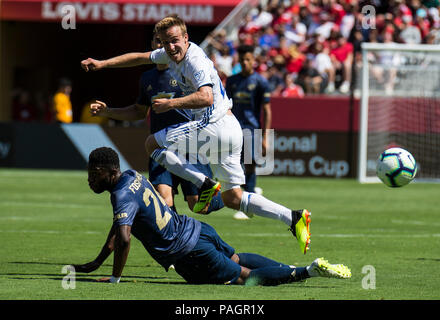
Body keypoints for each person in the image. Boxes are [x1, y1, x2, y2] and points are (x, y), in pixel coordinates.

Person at [81, 15, 311, 255]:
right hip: (230, 131)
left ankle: (204, 183)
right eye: (164, 42)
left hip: (215, 125)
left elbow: (206, 97)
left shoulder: (194, 60)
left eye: (174, 41)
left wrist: (171, 104)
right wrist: (103, 64)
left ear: (186, 38)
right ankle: (293, 217)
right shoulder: (170, 54)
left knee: (152, 143)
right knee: (234, 198)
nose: (170, 47)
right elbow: (139, 57)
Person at [71, 147, 352, 285]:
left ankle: (308, 271)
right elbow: (119, 226)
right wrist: (98, 262)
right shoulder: (131, 175)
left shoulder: (120, 195)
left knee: (245, 278)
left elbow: (123, 237)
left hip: (188, 252)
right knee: (237, 258)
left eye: (93, 175)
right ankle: (285, 267)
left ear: (108, 173)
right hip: (196, 229)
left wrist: (115, 279)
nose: (90, 181)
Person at [89, 32, 223, 215]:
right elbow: (138, 111)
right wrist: (108, 112)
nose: (163, 45)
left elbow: (206, 97)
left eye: (167, 42)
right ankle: (178, 239)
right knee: (164, 203)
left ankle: (231, 196)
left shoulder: (185, 71)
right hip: (161, 148)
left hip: (189, 146)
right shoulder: (147, 78)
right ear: (152, 44)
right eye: (158, 41)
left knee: (199, 206)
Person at [225, 45, 272, 220]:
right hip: (232, 128)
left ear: (254, 61)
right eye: (242, 59)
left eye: (248, 59)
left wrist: (265, 137)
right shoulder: (232, 81)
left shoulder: (260, 82)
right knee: (235, 166)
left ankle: (248, 204)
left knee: (250, 164)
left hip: (251, 129)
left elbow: (267, 110)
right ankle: (247, 196)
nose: (245, 63)